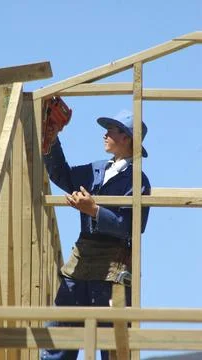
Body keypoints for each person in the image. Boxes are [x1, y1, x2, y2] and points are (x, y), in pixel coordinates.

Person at [40, 112, 151, 360]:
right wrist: (52, 141)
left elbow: (131, 226)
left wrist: (95, 210)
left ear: (126, 138)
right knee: (59, 336)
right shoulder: (97, 170)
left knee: (112, 344)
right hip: (81, 261)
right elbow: (63, 176)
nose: (105, 133)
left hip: (112, 265)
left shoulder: (138, 181)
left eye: (111, 129)